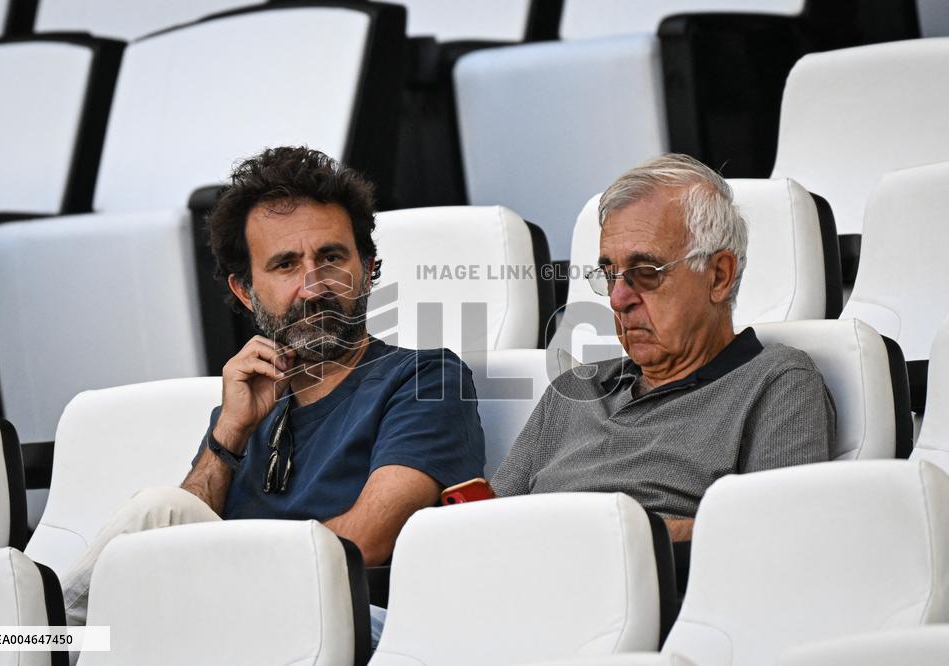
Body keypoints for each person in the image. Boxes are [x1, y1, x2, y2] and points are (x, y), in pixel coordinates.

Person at [61, 147, 485, 633]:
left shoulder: (426, 378)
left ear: (367, 267)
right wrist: (230, 432)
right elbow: (174, 540)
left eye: (331, 257)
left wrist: (229, 578)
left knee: (161, 519)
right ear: (246, 291)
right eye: (285, 265)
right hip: (231, 625)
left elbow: (369, 541)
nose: (314, 285)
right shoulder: (249, 407)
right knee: (165, 515)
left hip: (351, 620)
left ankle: (31, 639)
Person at [491, 154, 835, 541]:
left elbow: (775, 536)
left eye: (644, 273)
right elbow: (489, 522)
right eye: (609, 275)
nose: (618, 299)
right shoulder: (573, 389)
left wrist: (608, 536)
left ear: (718, 276)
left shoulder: (777, 382)